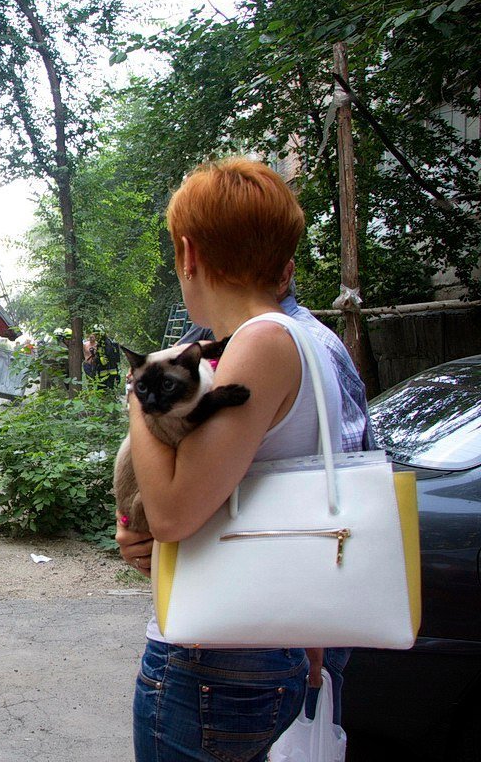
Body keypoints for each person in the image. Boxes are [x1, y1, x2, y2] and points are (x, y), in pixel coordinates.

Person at [119, 159, 355, 761]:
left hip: (216, 662)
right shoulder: (309, 339)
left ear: (189, 253)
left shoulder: (261, 342)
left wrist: (137, 397)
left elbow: (172, 514)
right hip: (262, 648)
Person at [163, 261, 371, 725]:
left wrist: (314, 620)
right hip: (270, 611)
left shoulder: (274, 343)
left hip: (274, 617)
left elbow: (336, 489)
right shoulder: (231, 340)